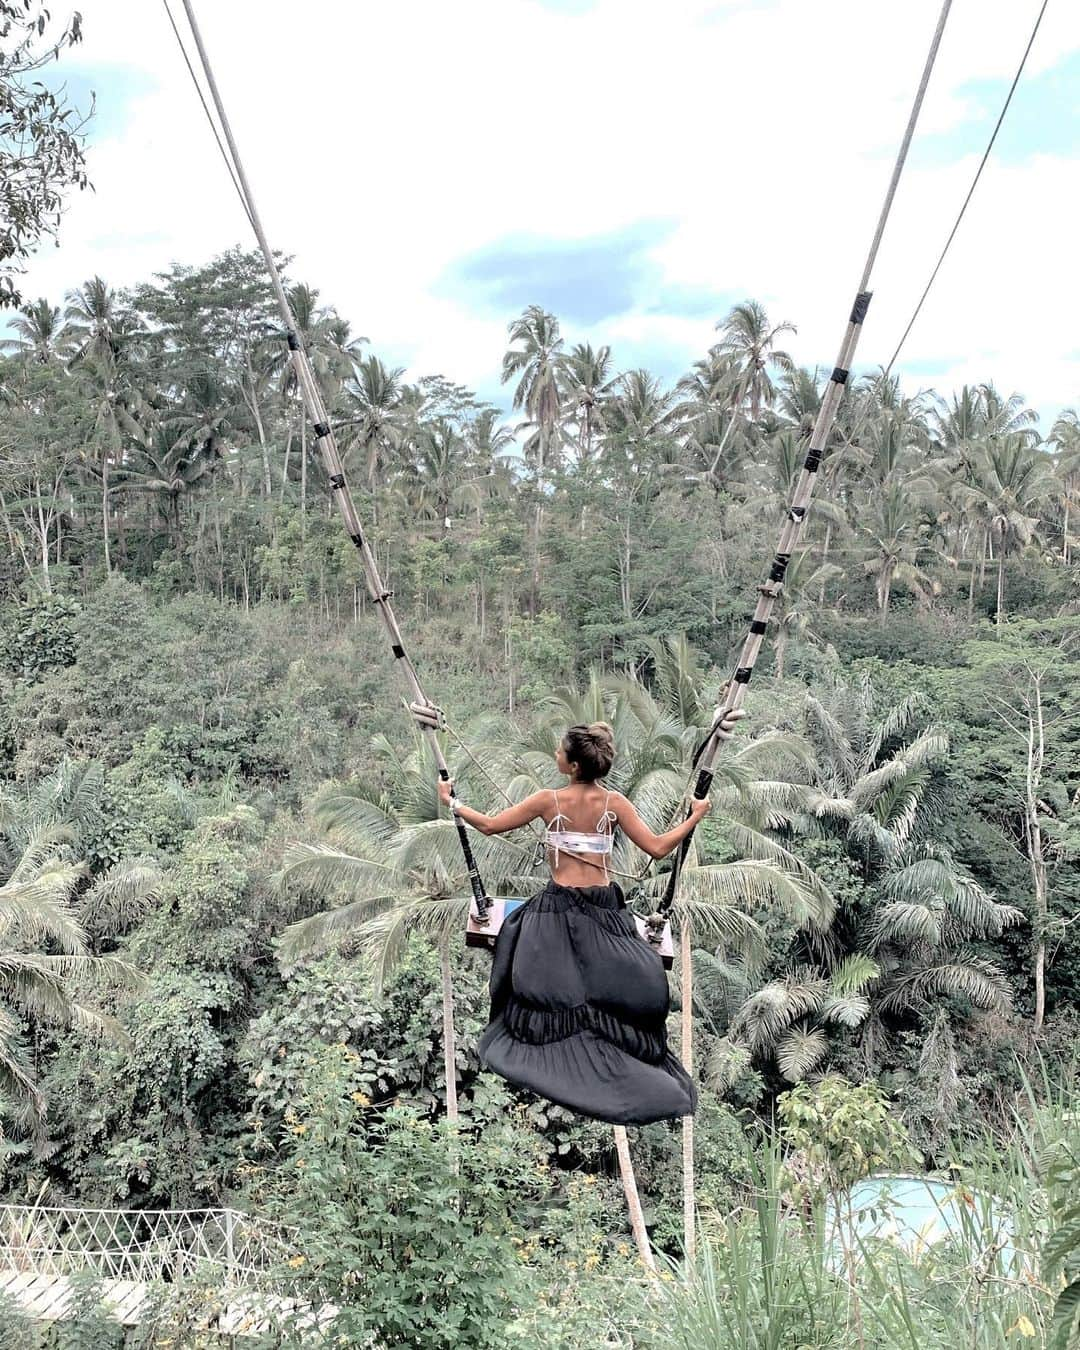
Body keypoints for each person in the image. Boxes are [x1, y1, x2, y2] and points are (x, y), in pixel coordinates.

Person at [437, 711, 745, 1125]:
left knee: (527, 975)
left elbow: (491, 827)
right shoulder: (613, 803)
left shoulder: (550, 801)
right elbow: (657, 849)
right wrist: (695, 816)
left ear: (574, 765)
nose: (556, 753)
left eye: (561, 751)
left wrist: (452, 801)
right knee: (636, 985)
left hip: (559, 907)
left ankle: (572, 1065)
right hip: (603, 910)